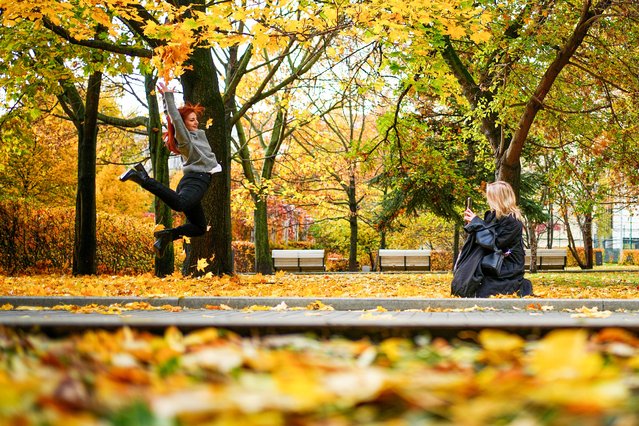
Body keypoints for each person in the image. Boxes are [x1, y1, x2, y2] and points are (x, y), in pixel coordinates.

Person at [119, 81, 221, 258]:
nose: (196, 122)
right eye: (191, 120)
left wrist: (167, 104)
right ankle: (142, 177)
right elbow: (175, 119)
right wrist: (168, 96)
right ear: (183, 124)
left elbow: (172, 118)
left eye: (196, 119)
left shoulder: (198, 136)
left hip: (192, 182)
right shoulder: (186, 140)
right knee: (180, 204)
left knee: (199, 227)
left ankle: (167, 236)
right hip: (197, 180)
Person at [451, 181, 533, 298]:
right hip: (493, 262)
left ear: (498, 198)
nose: (487, 200)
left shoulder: (513, 221)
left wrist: (477, 222)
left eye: (490, 197)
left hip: (506, 266)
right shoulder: (493, 216)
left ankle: (521, 286)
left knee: (481, 290)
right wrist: (474, 223)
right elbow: (487, 235)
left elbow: (494, 243)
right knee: (467, 280)